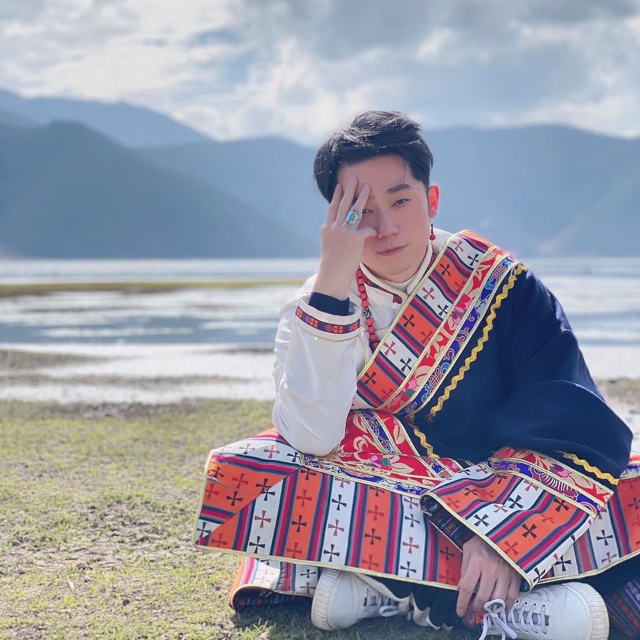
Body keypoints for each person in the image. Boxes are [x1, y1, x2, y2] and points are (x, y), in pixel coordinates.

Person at [193, 111, 639, 639]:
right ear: (336, 222)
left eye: (400, 201)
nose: (384, 227)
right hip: (397, 489)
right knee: (258, 468)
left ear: (432, 201)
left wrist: (501, 531)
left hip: (508, 481)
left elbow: (568, 414)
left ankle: (385, 588)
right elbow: (312, 437)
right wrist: (333, 282)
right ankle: (499, 604)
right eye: (360, 212)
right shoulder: (314, 307)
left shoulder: (505, 285)